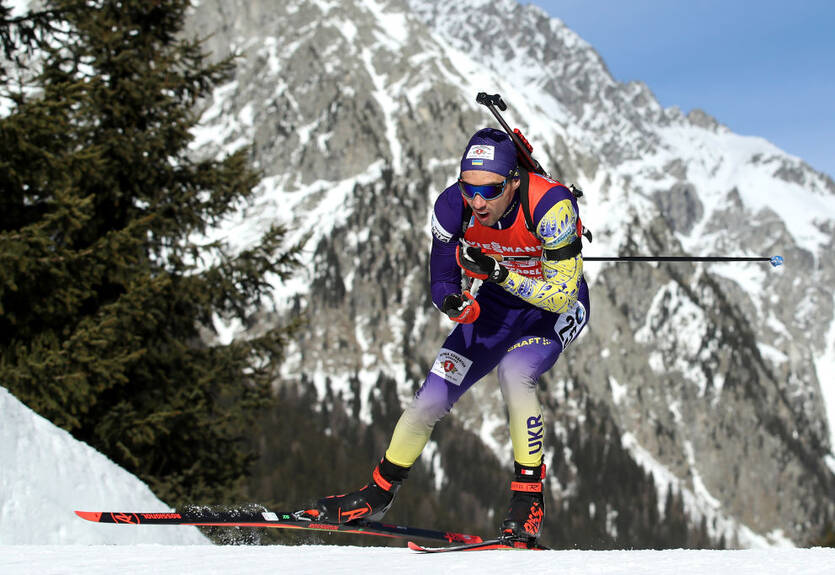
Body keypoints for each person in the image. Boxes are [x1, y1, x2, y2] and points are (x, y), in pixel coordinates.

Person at [306, 127, 590, 542]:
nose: (478, 202)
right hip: (497, 306)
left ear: (513, 181)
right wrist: (452, 302)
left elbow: (562, 295)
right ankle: (379, 492)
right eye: (468, 189)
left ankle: (528, 499)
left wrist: (499, 273)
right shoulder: (450, 207)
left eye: (491, 191)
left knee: (515, 373)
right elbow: (441, 277)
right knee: (433, 395)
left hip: (555, 310)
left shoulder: (551, 206)